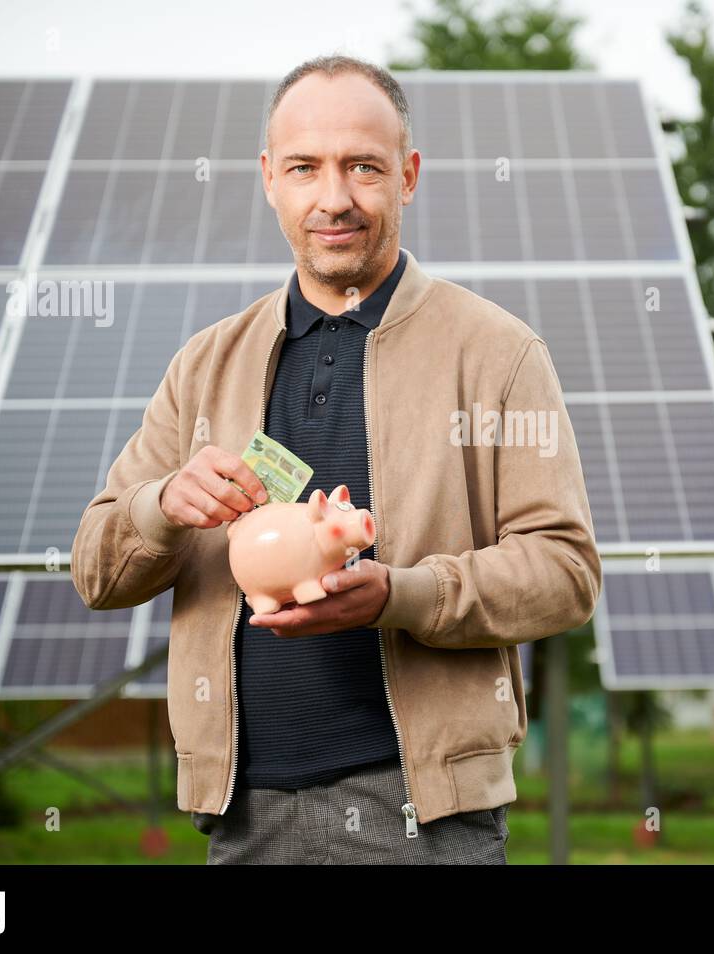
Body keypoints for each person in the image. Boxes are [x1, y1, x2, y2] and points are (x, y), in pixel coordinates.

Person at [70, 55, 602, 864]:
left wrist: (401, 594)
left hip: (425, 819)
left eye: (363, 167)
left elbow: (565, 574)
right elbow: (97, 572)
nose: (334, 198)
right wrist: (162, 506)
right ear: (268, 180)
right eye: (304, 168)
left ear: (409, 176)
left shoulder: (497, 355)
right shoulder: (205, 365)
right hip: (245, 818)